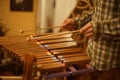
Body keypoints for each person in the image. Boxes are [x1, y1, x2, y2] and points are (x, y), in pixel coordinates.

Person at [62, 0, 120, 80]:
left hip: (112, 66)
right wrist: (77, 22)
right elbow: (98, 11)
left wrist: (100, 28)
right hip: (91, 58)